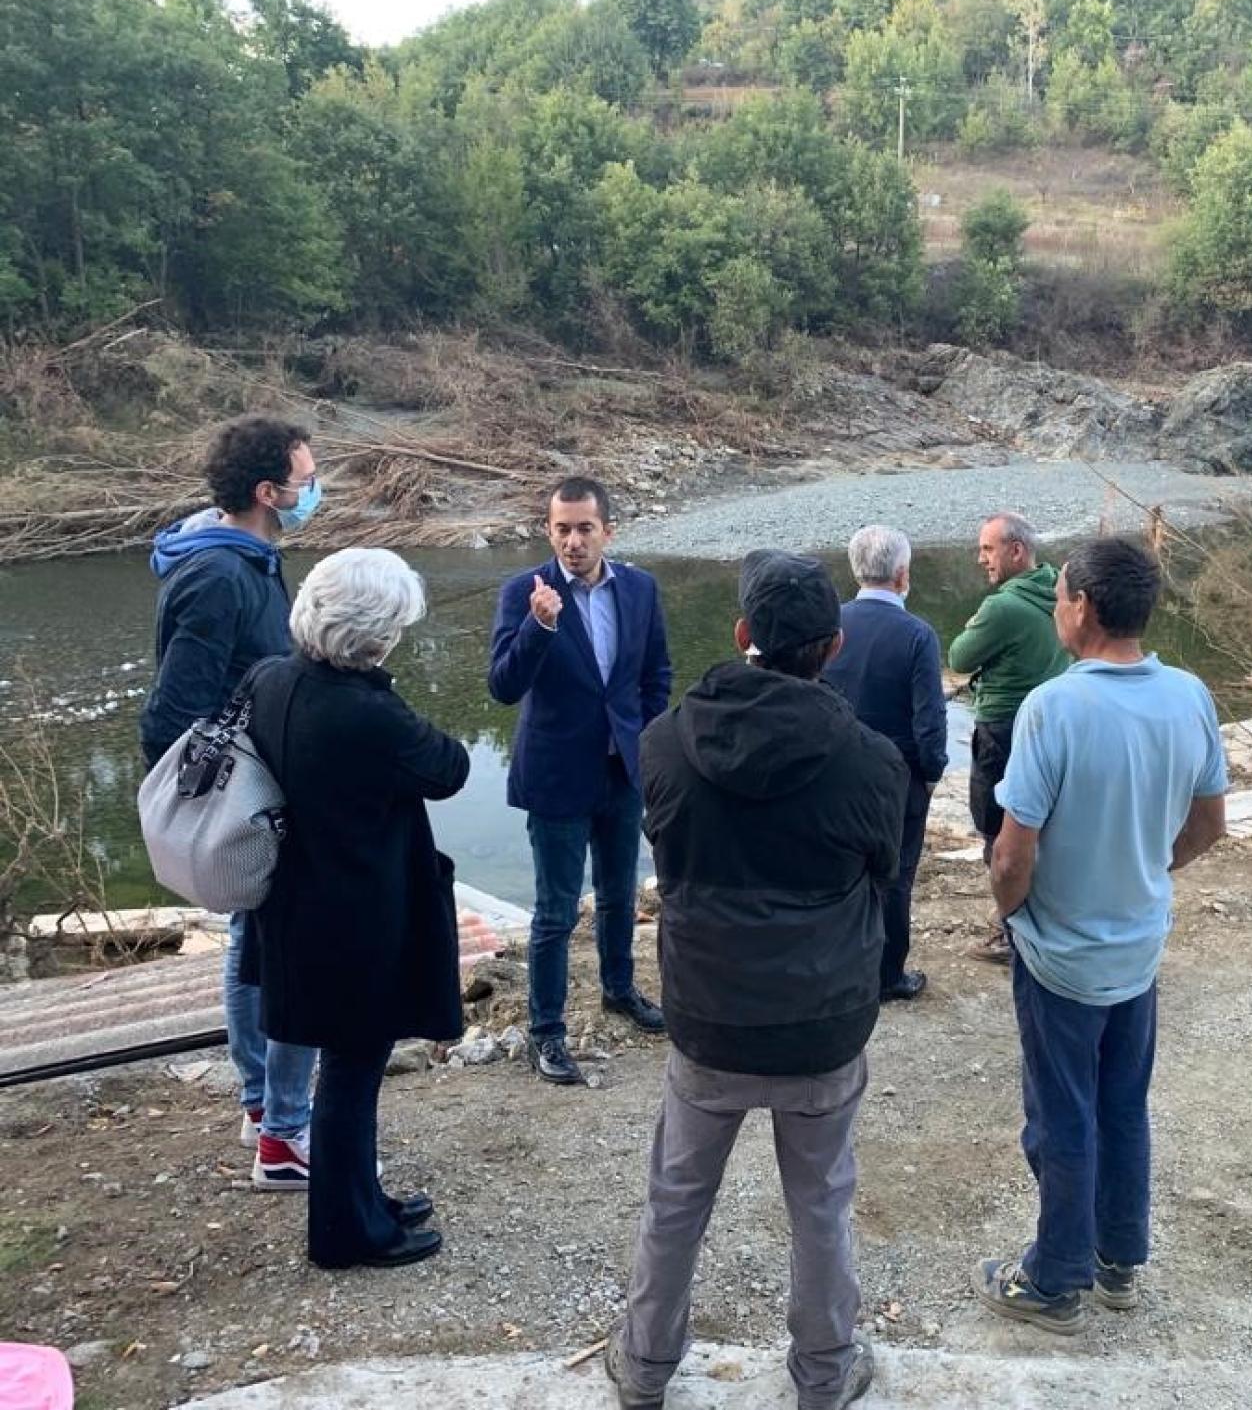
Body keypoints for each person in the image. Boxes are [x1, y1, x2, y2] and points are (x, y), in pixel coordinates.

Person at [606, 550, 904, 1410]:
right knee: (820, 1203)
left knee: (676, 1196)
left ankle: (645, 1368)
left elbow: (672, 848)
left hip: (708, 1014)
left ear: (742, 637)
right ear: (834, 646)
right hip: (823, 1018)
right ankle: (822, 1374)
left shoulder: (665, 741)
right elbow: (884, 869)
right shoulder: (870, 760)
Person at [971, 537, 1228, 1334]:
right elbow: (1208, 824)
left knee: (1063, 1112)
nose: (1056, 609)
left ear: (1080, 604)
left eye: (1060, 598)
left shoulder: (1057, 705)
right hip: (1137, 943)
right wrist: (1147, 869)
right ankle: (1120, 1259)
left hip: (1060, 953)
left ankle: (1054, 1278)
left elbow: (1014, 850)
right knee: (1124, 1104)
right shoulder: (1189, 694)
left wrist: (1012, 911)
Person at [246, 549, 470, 1269]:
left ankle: (363, 1200)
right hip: (355, 923)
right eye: (394, 628)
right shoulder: (366, 710)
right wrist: (384, 687)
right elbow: (450, 765)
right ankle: (345, 1232)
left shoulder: (273, 680)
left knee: (348, 1069)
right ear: (372, 635)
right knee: (348, 1072)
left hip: (296, 909)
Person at [138, 414, 320, 1190]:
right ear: (266, 491)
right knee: (292, 958)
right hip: (253, 807)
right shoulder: (219, 575)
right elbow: (171, 715)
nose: (316, 489)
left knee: (252, 947)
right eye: (307, 480)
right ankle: (283, 1132)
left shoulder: (246, 555)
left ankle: (261, 1105)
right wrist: (221, 802)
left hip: (267, 794)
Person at [488, 477, 673, 1085]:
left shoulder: (640, 589)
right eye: (561, 529)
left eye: (583, 528)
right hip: (556, 774)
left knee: (620, 893)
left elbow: (655, 674)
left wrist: (643, 737)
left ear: (607, 531)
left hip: (622, 769)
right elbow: (503, 686)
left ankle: (619, 989)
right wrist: (536, 630)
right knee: (556, 910)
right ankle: (547, 1030)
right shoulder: (524, 592)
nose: (572, 541)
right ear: (549, 531)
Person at [823, 525, 948, 1002]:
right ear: (903, 576)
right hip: (899, 775)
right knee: (895, 877)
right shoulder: (917, 634)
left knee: (841, 870)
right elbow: (930, 718)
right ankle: (887, 975)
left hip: (835, 768)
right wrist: (933, 770)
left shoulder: (832, 622)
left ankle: (839, 964)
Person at [945, 512, 1069, 963]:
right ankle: (1042, 923)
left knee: (998, 834)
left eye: (988, 549)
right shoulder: (1058, 588)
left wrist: (978, 621)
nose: (981, 559)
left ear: (1016, 551)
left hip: (1000, 731)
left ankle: (1010, 933)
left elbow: (959, 656)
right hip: (1050, 727)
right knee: (1042, 829)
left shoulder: (1002, 607)